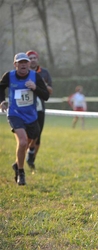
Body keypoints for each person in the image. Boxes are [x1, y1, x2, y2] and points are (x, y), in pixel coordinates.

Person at [0, 53, 49, 185]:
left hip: (32, 116)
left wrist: (35, 88)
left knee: (27, 143)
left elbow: (46, 96)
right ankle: (21, 173)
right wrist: (2, 101)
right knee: (22, 142)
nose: (23, 64)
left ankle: (17, 164)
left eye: (25, 62)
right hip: (15, 114)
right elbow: (1, 87)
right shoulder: (9, 76)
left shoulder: (35, 77)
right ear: (15, 64)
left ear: (29, 64)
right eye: (20, 62)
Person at [25, 50, 53, 170]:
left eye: (34, 58)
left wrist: (40, 85)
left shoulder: (44, 73)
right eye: (30, 58)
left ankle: (31, 159)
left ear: (38, 59)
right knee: (28, 135)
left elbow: (50, 91)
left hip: (39, 107)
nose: (33, 60)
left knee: (38, 134)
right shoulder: (22, 73)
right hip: (26, 107)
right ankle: (25, 154)